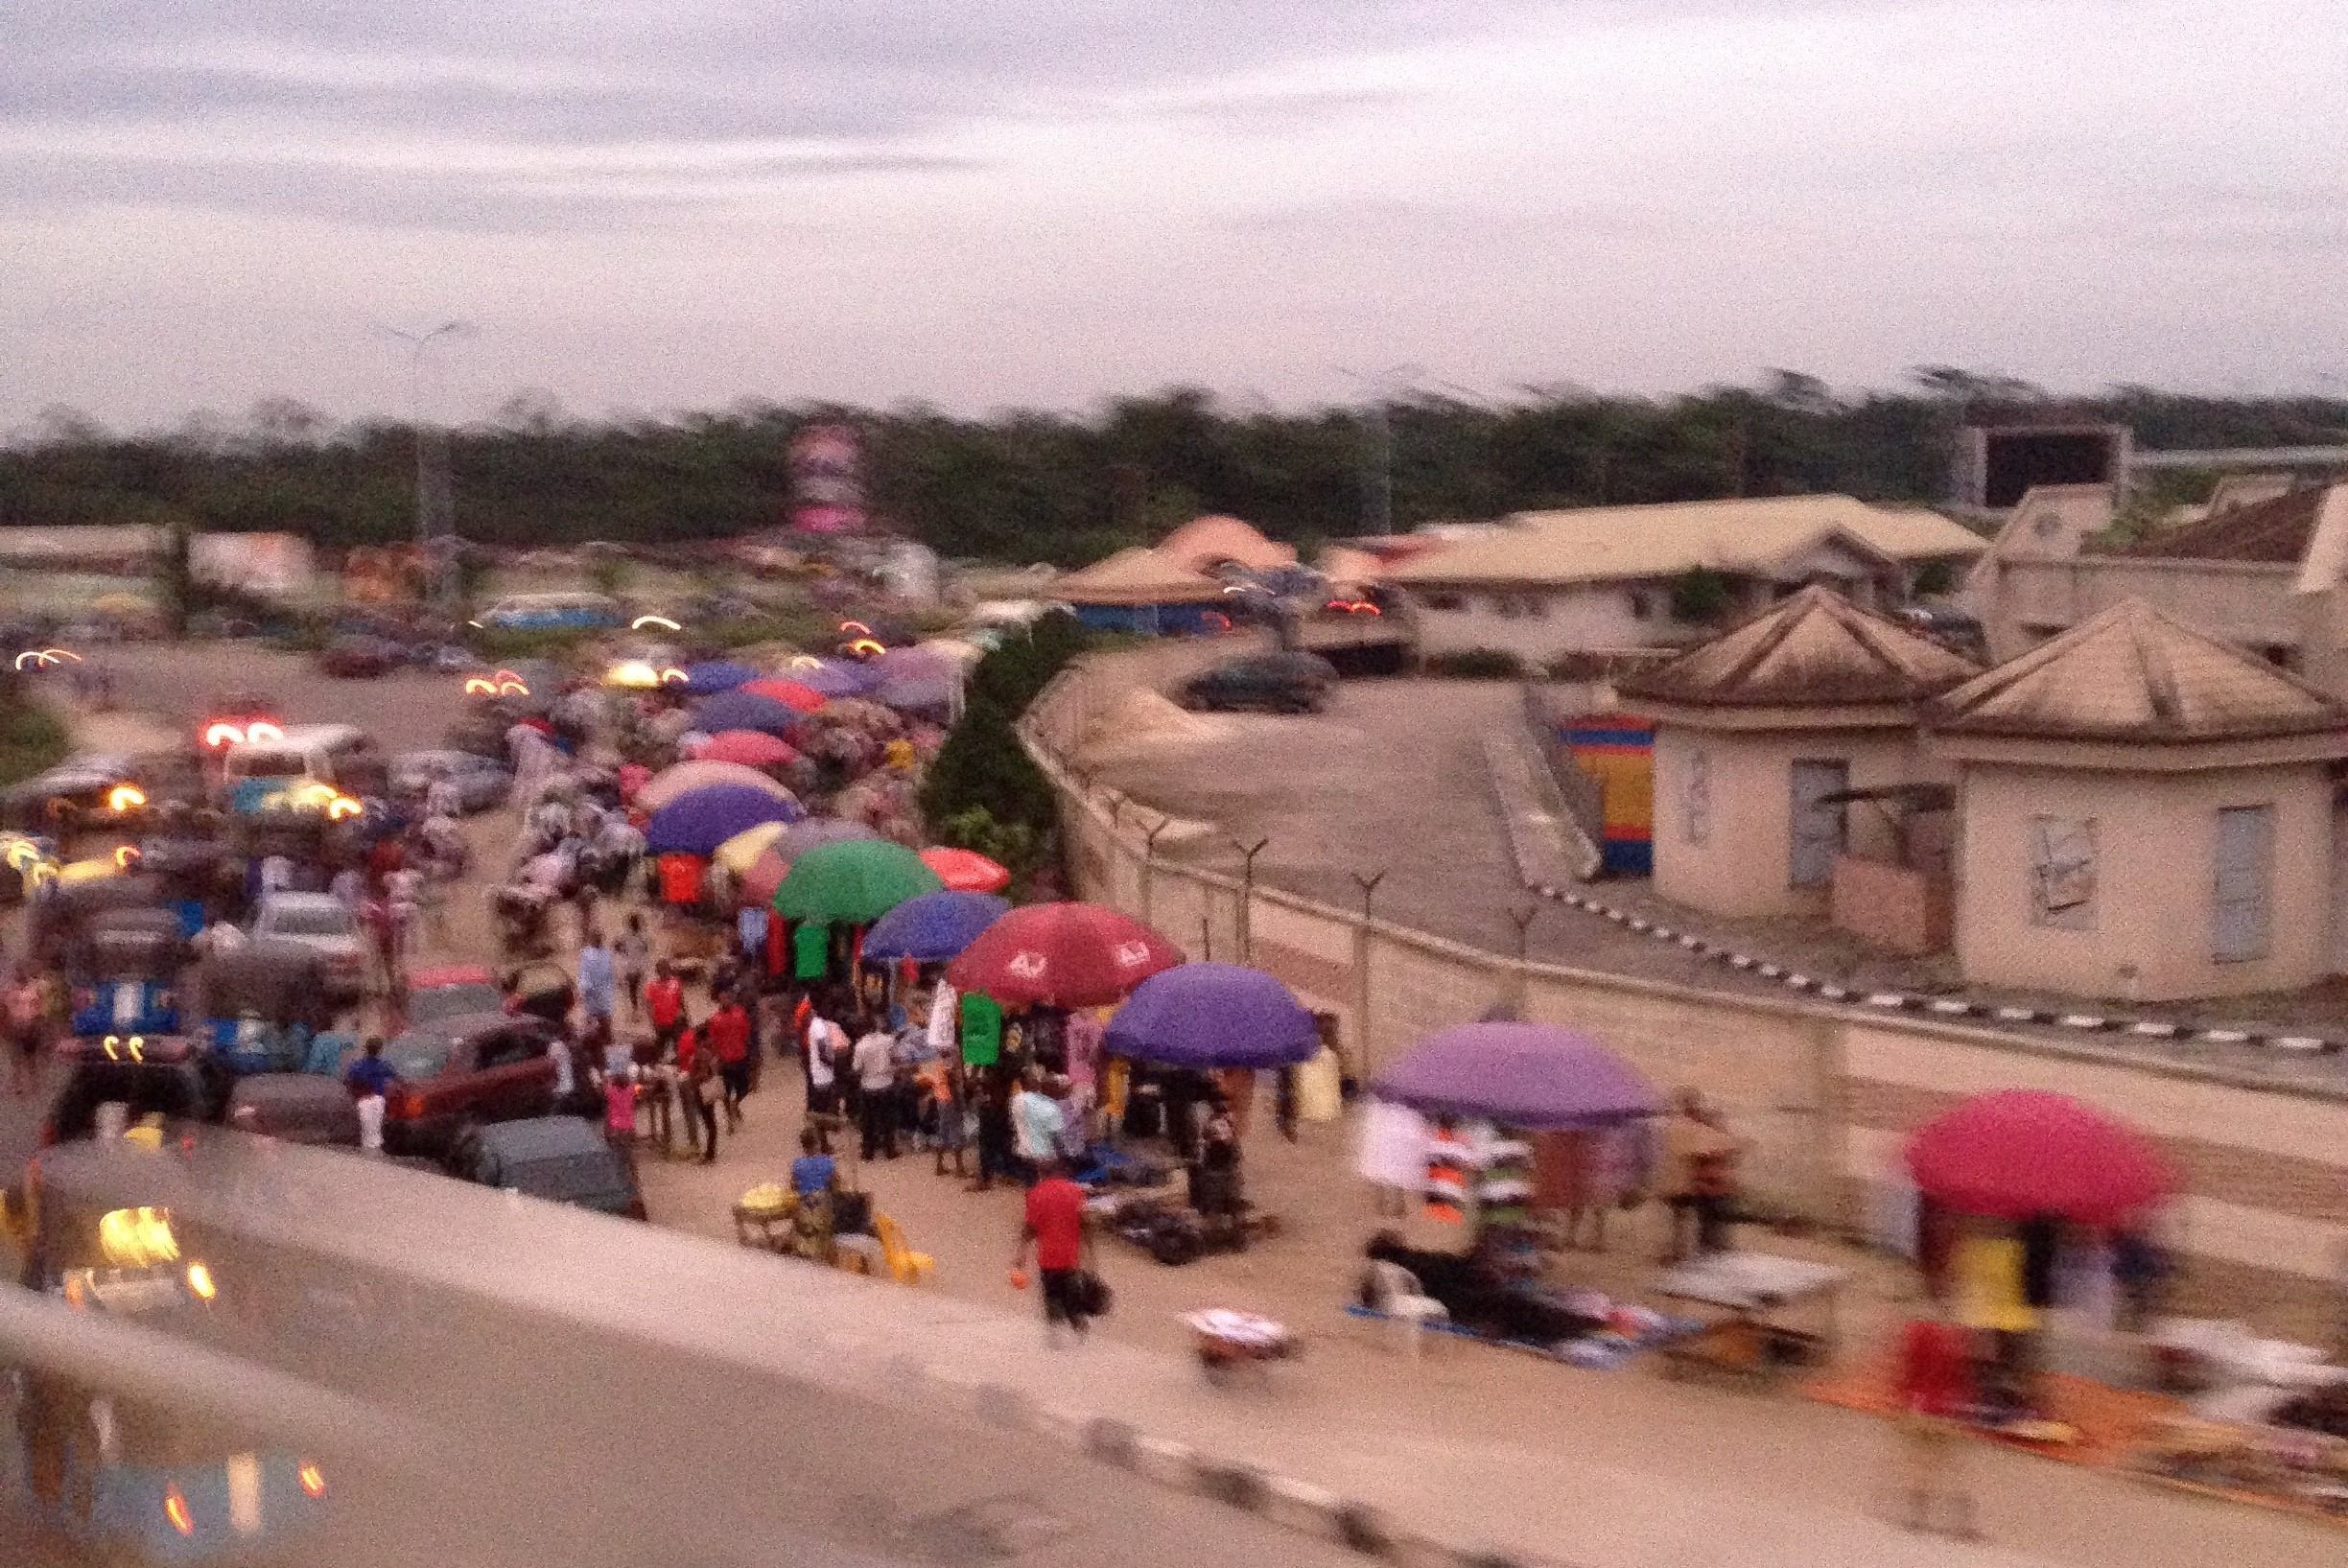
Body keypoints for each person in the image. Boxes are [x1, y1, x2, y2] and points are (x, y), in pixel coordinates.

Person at [1891, 1306, 1979, 1539]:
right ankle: (1962, 1522)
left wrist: (1902, 1399)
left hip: (1919, 1406)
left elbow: (1907, 1369)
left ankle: (1917, 1516)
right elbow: (1962, 1375)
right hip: (1946, 1408)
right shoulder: (1955, 1336)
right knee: (1953, 1466)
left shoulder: (1915, 1331)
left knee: (1921, 1463)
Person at [1013, 1158, 1095, 1345]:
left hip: (1048, 1256)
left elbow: (1030, 1228)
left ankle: (1055, 1331)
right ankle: (1078, 1325)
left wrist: (1021, 1252)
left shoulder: (1036, 1194)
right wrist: (1090, 1249)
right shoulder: (1076, 1191)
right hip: (1070, 1255)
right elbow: (1085, 1222)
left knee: (1052, 1293)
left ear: (1042, 1173)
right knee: (1070, 1292)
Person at [852, 1018, 901, 1161]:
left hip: (869, 1086)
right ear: (876, 1026)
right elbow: (896, 1058)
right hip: (886, 1084)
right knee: (888, 1119)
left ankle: (868, 1152)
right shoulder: (888, 1040)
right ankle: (890, 1150)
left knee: (868, 1121)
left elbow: (856, 1068)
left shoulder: (860, 1046)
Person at [705, 992, 753, 1133]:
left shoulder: (740, 1013)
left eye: (727, 998)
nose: (725, 1001)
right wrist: (715, 1058)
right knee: (726, 1091)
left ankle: (736, 1103)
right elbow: (712, 1040)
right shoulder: (715, 1019)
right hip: (725, 1060)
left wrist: (747, 1049)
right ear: (719, 1001)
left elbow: (746, 1032)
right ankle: (730, 1121)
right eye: (722, 999)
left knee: (745, 1087)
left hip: (740, 1055)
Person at [1010, 1066, 1065, 1185]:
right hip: (1044, 1156)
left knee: (1032, 1187)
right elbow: (1056, 1138)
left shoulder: (1017, 1100)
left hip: (1024, 1153)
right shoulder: (1050, 1108)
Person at [790, 1128, 838, 1262]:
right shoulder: (827, 1161)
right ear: (817, 1143)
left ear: (803, 1145)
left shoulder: (797, 1165)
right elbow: (835, 1182)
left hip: (805, 1203)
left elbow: (793, 1185)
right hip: (823, 1202)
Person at [6, 970, 45, 1097]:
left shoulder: (29, 992)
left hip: (27, 1027)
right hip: (19, 1027)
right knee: (19, 1059)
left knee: (27, 1060)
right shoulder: (16, 993)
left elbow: (38, 1008)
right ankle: (23, 1085)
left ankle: (30, 1085)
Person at [684, 1045, 721, 1165]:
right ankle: (710, 1152)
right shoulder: (709, 1052)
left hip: (702, 1091)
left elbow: (703, 1074)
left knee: (709, 1122)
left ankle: (709, 1153)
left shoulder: (701, 1054)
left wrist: (693, 1080)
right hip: (707, 1090)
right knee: (711, 1122)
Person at [576, 929, 616, 1032]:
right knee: (594, 1022)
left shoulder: (606, 953)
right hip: (594, 994)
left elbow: (610, 973)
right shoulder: (587, 954)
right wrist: (584, 991)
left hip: (603, 994)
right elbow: (584, 973)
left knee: (603, 1022)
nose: (598, 940)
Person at [615, 913, 651, 1019]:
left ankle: (634, 1012)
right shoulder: (642, 936)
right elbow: (646, 949)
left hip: (631, 966)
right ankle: (636, 1012)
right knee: (635, 990)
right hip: (637, 966)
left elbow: (616, 946)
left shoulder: (626, 936)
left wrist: (623, 951)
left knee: (633, 990)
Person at [645, 960, 685, 1051]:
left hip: (675, 1022)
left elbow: (681, 1001)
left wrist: (685, 1017)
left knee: (678, 1048)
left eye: (665, 969)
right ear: (657, 972)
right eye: (661, 970)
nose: (664, 972)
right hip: (660, 1023)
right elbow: (649, 1005)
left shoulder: (676, 983)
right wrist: (653, 1022)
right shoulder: (652, 986)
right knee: (659, 1050)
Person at [344, 1036, 397, 1102]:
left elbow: (347, 1082)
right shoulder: (385, 1066)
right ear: (380, 1050)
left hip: (360, 1100)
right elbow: (395, 1080)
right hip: (379, 1100)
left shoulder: (356, 1066)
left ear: (366, 1048)